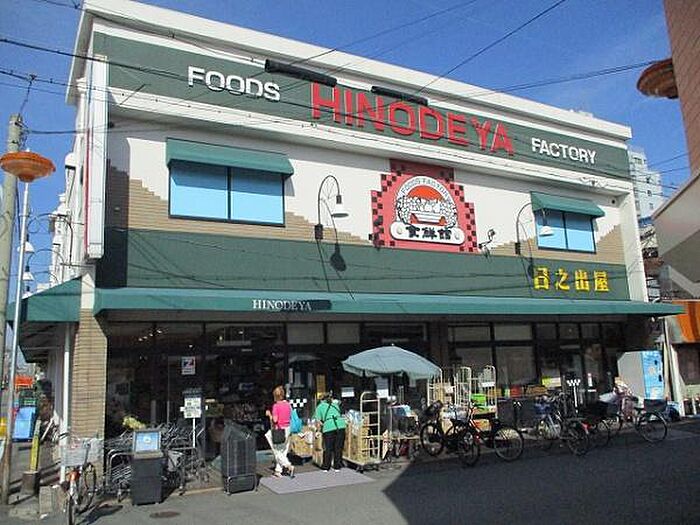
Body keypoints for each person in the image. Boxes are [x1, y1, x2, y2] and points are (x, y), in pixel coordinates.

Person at [265, 385, 294, 478]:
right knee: (283, 450)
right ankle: (278, 471)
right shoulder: (288, 405)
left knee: (277, 451)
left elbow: (275, 420)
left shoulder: (276, 406)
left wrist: (269, 415)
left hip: (279, 429)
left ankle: (288, 465)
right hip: (288, 428)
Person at [314, 392, 346, 472]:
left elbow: (318, 421)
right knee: (338, 447)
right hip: (341, 425)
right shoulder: (335, 405)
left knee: (328, 448)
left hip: (328, 427)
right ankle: (337, 466)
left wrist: (318, 430)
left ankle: (326, 467)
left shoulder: (319, 407)